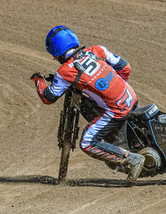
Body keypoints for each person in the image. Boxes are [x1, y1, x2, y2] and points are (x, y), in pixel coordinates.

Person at [31, 25, 145, 185]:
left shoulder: (64, 72)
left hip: (116, 111)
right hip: (130, 96)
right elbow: (125, 67)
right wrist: (115, 88)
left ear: (56, 53)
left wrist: (38, 79)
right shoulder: (97, 50)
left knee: (87, 142)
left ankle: (133, 159)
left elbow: (48, 97)